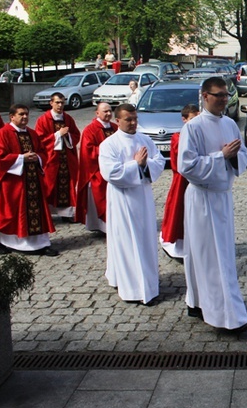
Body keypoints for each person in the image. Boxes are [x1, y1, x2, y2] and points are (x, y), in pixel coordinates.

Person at [178, 77, 247, 330]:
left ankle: (198, 301)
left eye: (226, 95)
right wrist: (221, 156)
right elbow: (186, 166)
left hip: (222, 196)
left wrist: (232, 158)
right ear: (205, 96)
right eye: (218, 95)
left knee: (222, 254)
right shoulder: (193, 127)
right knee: (206, 254)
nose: (223, 99)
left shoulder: (230, 124)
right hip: (202, 197)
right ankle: (222, 313)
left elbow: (242, 155)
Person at [99, 103, 166, 305]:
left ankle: (147, 283)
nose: (133, 122)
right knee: (126, 241)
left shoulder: (144, 139)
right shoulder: (109, 144)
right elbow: (110, 173)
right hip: (122, 199)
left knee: (145, 240)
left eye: (135, 118)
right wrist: (135, 164)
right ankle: (131, 288)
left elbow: (159, 161)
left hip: (143, 198)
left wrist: (145, 165)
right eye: (128, 119)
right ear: (117, 121)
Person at [0, 104, 58, 256]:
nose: (25, 117)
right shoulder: (3, 134)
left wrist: (38, 158)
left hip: (33, 180)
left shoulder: (33, 134)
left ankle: (41, 244)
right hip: (12, 183)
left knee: (36, 212)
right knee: (10, 213)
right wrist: (21, 158)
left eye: (27, 114)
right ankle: (2, 242)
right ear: (12, 116)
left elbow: (43, 152)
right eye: (21, 114)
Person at [161, 104, 199, 260]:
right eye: (192, 119)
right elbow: (178, 164)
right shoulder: (178, 137)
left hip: (197, 180)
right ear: (184, 120)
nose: (195, 122)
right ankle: (179, 245)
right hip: (182, 181)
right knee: (179, 212)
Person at [35, 92, 81, 219]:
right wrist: (57, 135)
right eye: (57, 103)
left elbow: (76, 135)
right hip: (52, 158)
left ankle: (67, 213)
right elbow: (40, 139)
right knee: (50, 185)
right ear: (51, 103)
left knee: (68, 185)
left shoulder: (68, 118)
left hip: (67, 158)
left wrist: (68, 136)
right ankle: (48, 213)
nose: (60, 105)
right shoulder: (43, 120)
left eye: (62, 102)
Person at [75, 102, 118, 233]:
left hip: (116, 168)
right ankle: (103, 227)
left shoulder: (115, 127)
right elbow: (87, 151)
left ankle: (115, 224)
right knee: (101, 198)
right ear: (97, 113)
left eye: (110, 111)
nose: (108, 114)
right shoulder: (90, 129)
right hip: (97, 170)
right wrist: (106, 151)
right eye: (105, 111)